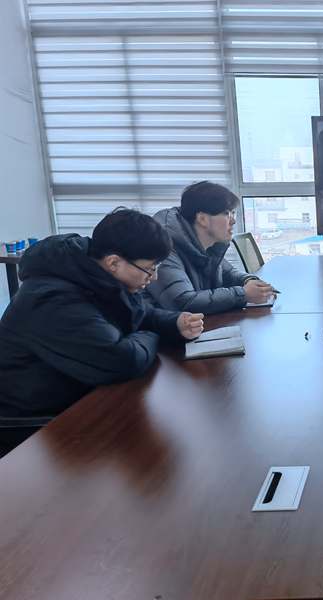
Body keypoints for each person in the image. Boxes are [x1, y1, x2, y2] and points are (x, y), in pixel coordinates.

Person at [0, 209, 204, 455]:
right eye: (149, 269)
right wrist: (153, 335)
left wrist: (175, 323)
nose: (154, 277)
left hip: (79, 396)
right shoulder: (52, 299)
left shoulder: (96, 275)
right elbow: (122, 360)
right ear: (114, 262)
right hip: (31, 427)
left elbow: (140, 314)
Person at [146, 181, 276, 314]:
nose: (233, 220)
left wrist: (249, 281)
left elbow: (228, 273)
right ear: (202, 219)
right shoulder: (164, 248)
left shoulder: (208, 244)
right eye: (226, 213)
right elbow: (183, 302)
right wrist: (243, 294)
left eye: (233, 213)